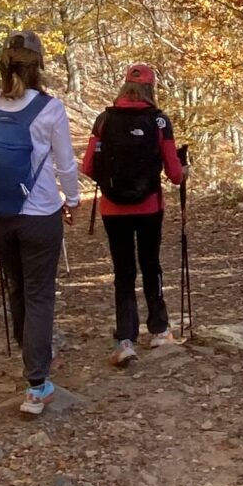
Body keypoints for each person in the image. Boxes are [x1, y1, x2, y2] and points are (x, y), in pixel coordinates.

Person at [0, 30, 80, 416]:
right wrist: (74, 200)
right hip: (41, 214)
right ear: (38, 68)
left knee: (18, 286)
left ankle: (32, 366)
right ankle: (37, 382)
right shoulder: (50, 108)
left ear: (3, 64)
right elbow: (65, 163)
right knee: (40, 293)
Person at [81, 62, 188, 364]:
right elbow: (175, 174)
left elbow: (88, 166)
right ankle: (159, 330)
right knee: (151, 264)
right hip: (149, 206)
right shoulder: (159, 122)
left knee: (124, 271)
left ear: (124, 86)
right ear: (151, 88)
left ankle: (125, 339)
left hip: (112, 208)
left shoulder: (104, 120)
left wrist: (112, 181)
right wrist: (184, 171)